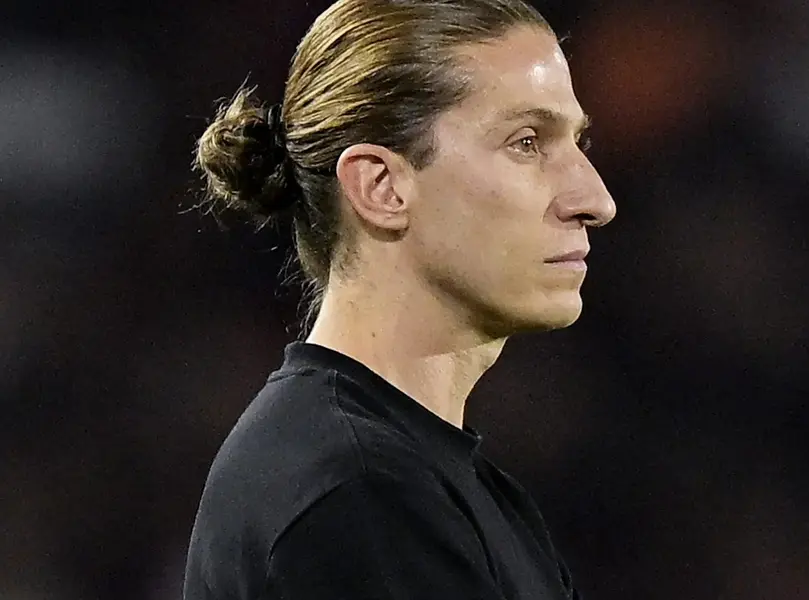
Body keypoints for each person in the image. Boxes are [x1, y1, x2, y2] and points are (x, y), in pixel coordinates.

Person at [182, 0, 615, 598]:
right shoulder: (357, 492)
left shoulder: (410, 476)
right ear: (381, 187)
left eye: (577, 143)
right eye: (527, 141)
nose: (594, 198)